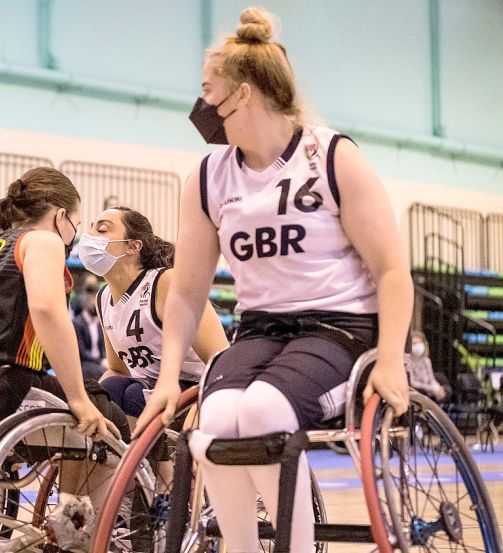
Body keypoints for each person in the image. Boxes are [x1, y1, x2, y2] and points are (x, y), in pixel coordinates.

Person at [134, 8, 413, 553]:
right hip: (261, 329)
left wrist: (393, 358)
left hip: (340, 328)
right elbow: (187, 292)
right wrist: (168, 377)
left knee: (263, 411)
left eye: (206, 91)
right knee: (212, 420)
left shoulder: (332, 156)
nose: (201, 105)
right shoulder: (207, 177)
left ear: (241, 94)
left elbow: (392, 271)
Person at [0, 166, 125, 439]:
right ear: (61, 217)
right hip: (4, 381)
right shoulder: (43, 240)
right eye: (76, 225)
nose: (74, 235)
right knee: (109, 415)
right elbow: (46, 310)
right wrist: (78, 398)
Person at [75, 207, 228, 417]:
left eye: (101, 230)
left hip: (196, 386)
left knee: (132, 394)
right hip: (147, 387)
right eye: (90, 229)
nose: (89, 237)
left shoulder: (166, 281)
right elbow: (119, 370)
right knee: (111, 389)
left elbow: (220, 357)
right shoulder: (103, 298)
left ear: (133, 246)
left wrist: (200, 408)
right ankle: (121, 450)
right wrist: (89, 401)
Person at [72, 290, 107, 381]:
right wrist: (101, 361)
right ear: (85, 304)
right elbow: (81, 352)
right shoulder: (77, 323)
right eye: (92, 304)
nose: (94, 307)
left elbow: (103, 346)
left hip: (100, 362)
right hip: (85, 363)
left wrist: (105, 359)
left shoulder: (99, 323)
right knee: (103, 373)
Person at [406, 330, 448, 403]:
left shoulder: (426, 361)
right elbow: (413, 383)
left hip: (429, 392)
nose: (418, 346)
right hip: (418, 391)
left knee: (445, 389)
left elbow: (431, 379)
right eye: (414, 343)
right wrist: (432, 388)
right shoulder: (408, 362)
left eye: (420, 343)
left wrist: (437, 388)